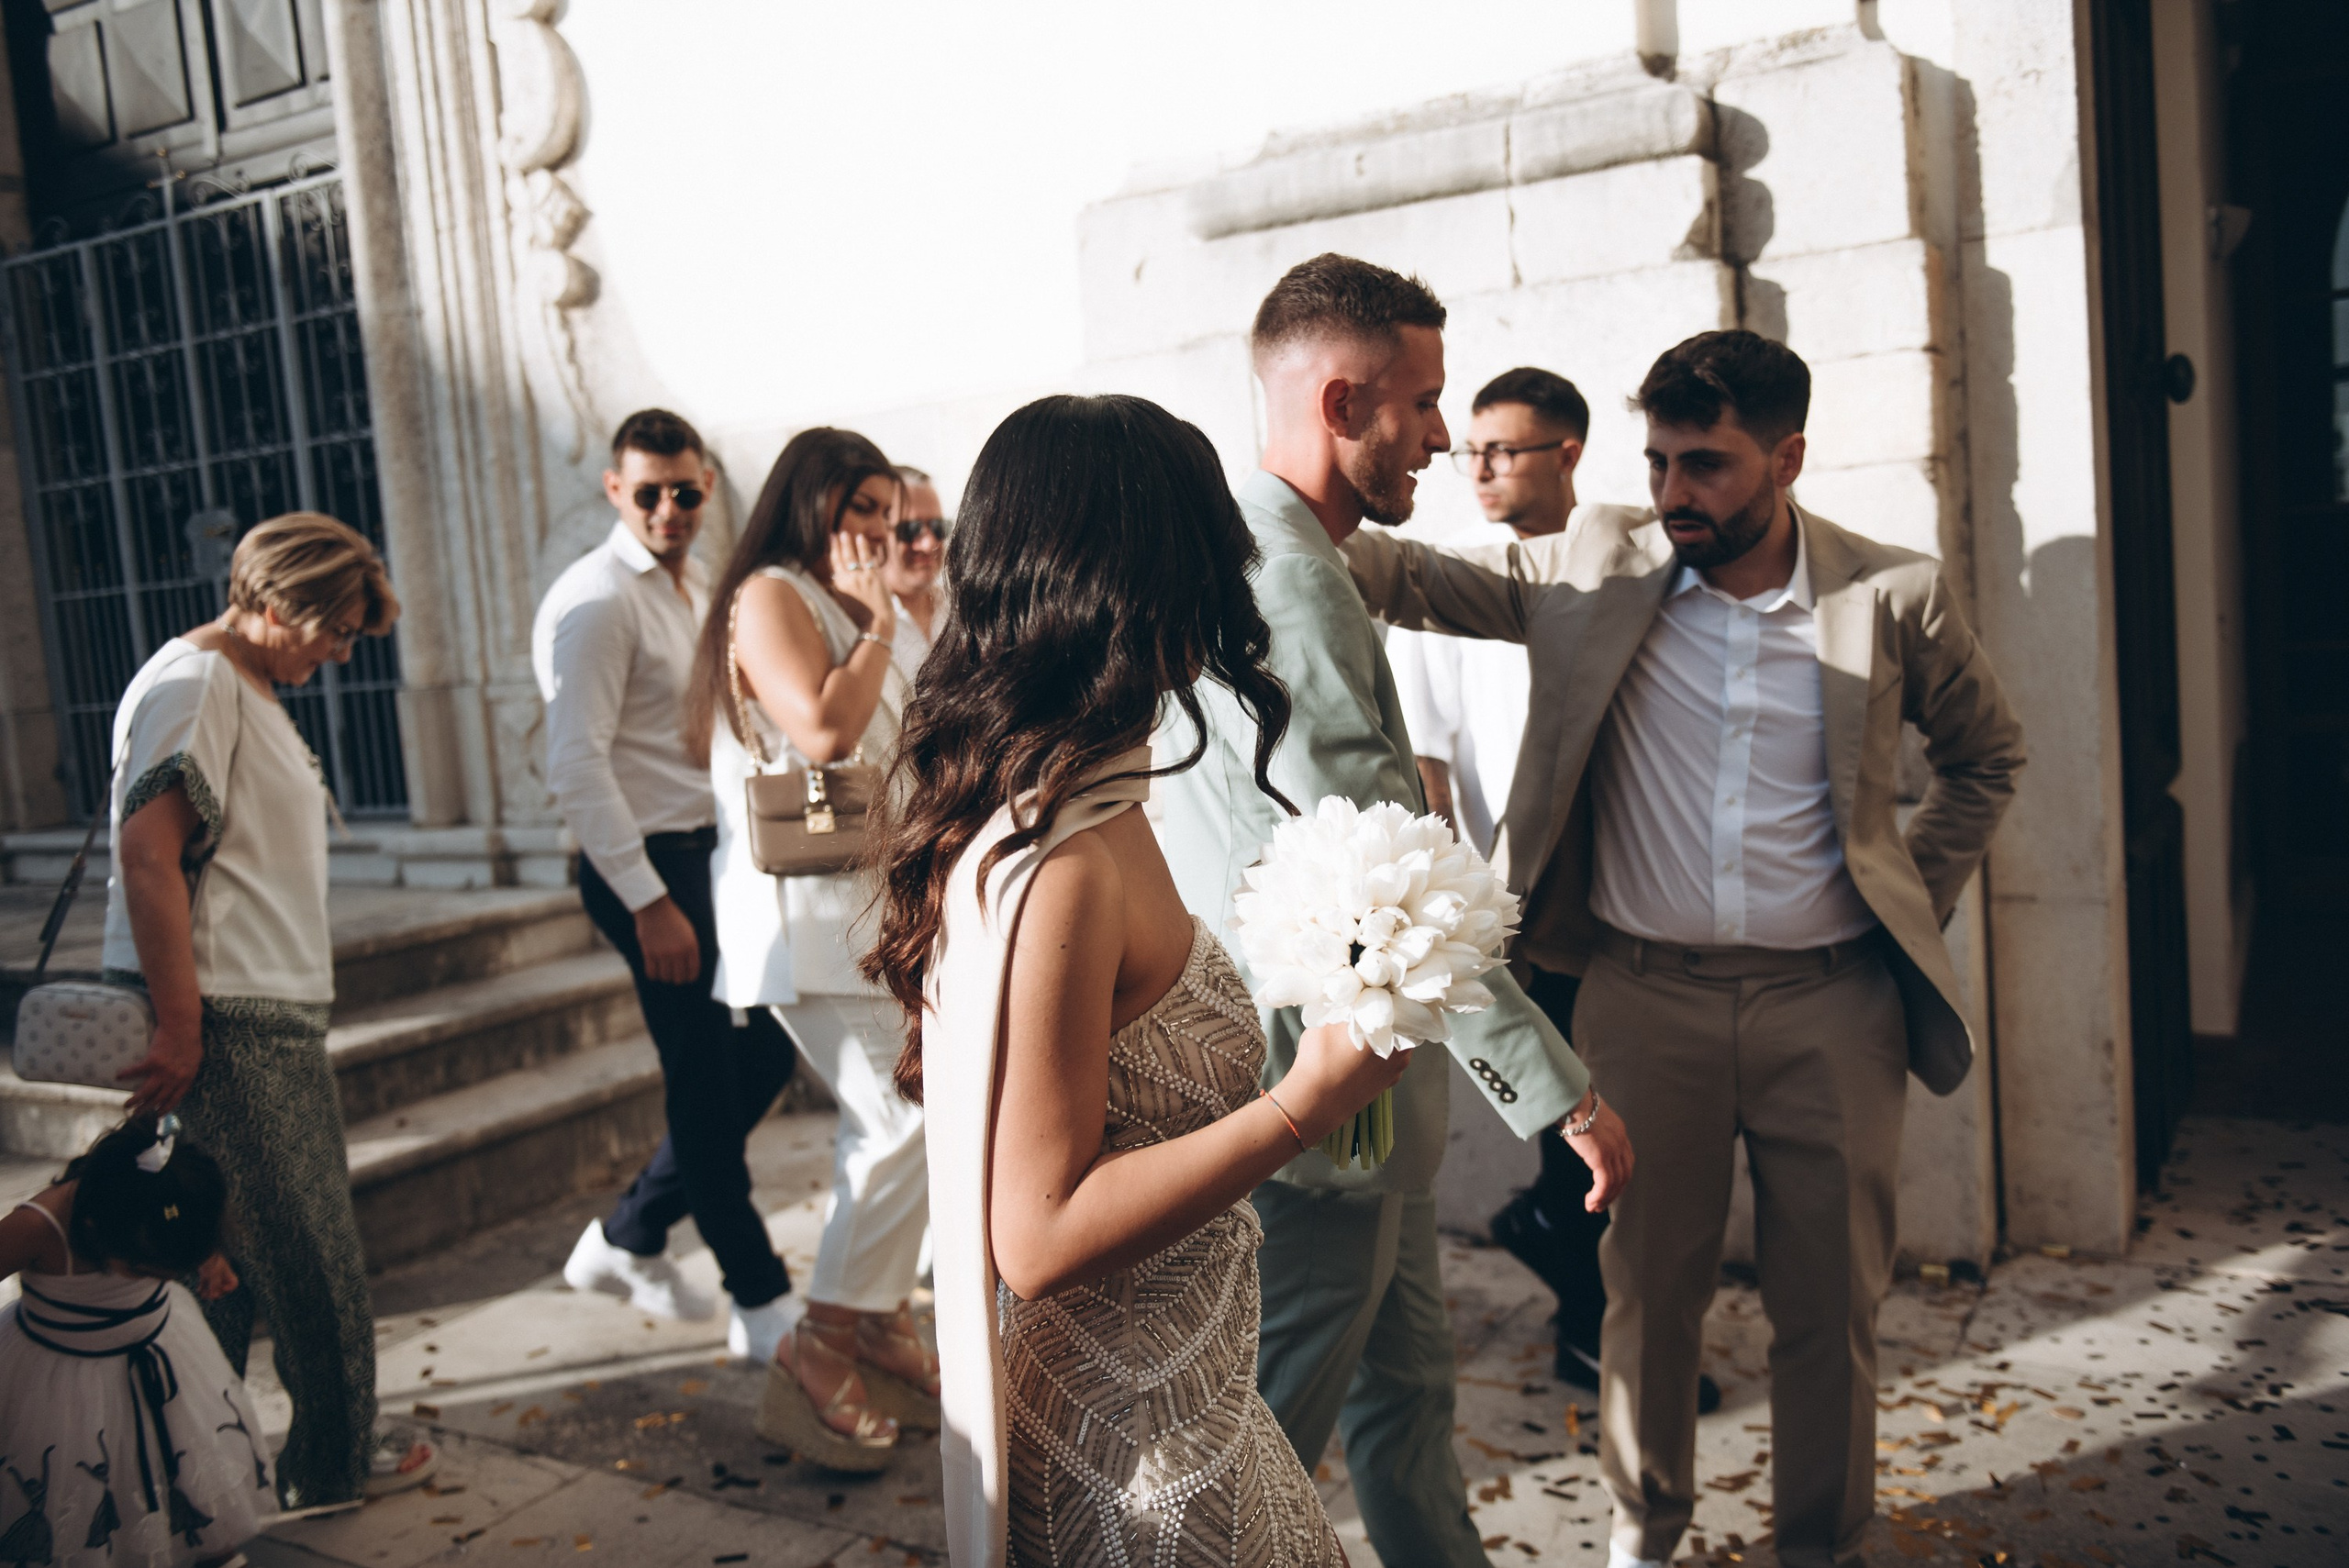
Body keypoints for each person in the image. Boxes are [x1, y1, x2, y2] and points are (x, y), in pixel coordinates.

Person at [1342, 329, 2027, 1568]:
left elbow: (1988, 756)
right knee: (1645, 1303)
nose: (1672, 494)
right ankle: (1642, 1537)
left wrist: (1906, 901)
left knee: (1831, 1307)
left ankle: (1820, 1542)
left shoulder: (1893, 592)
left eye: (1705, 465)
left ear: (1789, 457)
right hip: (1643, 1001)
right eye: (1658, 461)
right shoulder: (1598, 566)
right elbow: (1404, 580)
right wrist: (1298, 484)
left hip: (1836, 1006)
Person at [1155, 252, 1634, 1568]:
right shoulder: (1291, 582)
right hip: (1328, 1099)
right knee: (1259, 1450)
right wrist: (1559, 1094)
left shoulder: (1266, 548)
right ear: (1342, 399)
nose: (1440, 433)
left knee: (1411, 1401)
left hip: (1366, 1110)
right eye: (1423, 404)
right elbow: (1392, 894)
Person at [866, 393, 1390, 1566]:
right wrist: (1304, 1102)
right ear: (1150, 578)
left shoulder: (1093, 797)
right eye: (1208, 552)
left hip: (1189, 1393)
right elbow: (1038, 1235)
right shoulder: (1065, 865)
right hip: (1136, 1455)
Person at [1391, 367, 1719, 1411]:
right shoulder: (1448, 590)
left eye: (1503, 449)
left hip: (1634, 901)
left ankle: (1561, 1260)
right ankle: (1591, 1339)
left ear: (1567, 452)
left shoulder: (1631, 572)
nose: (1476, 467)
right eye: (1471, 450)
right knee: (1583, 1145)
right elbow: (1431, 774)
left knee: (1622, 1143)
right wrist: (1467, 929)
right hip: (1520, 915)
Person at [99, 512, 431, 1512]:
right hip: (230, 1013)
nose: (337, 654)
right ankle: (328, 1462)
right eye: (333, 629)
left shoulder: (233, 680)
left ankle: (198, 1461)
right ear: (280, 599)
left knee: (226, 1259)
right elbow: (148, 852)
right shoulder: (199, 679)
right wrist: (183, 1023)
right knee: (308, 1254)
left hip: (256, 1006)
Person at [684, 427, 935, 1469]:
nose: (875, 529)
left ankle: (867, 1311)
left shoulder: (847, 599)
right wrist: (880, 619)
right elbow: (826, 734)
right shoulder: (773, 593)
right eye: (858, 507)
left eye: (886, 510)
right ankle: (819, 1334)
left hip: (871, 903)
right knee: (903, 1112)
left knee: (913, 1109)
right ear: (808, 504)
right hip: (809, 914)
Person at [534, 409, 800, 1358]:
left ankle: (629, 1231)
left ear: (707, 489)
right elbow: (576, 763)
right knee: (699, 1076)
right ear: (614, 489)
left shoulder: (690, 590)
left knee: (767, 1045)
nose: (668, 507)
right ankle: (760, 1294)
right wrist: (648, 899)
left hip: (706, 853)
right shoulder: (596, 599)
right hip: (647, 867)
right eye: (647, 491)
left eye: (685, 490)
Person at [0, 1118, 274, 1566]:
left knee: (182, 1459)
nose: (163, 1276)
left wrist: (210, 1259)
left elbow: (183, 1218)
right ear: (98, 1226)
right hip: (61, 1384)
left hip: (164, 1350)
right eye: (148, 1270)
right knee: (87, 1485)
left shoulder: (163, 1198)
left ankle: (204, 1544)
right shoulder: (38, 1227)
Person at [884, 463, 949, 682]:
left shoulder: (958, 609)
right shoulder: (859, 624)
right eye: (910, 530)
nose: (929, 543)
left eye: (938, 527)